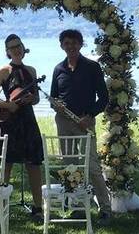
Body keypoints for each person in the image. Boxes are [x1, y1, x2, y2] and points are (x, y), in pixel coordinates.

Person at [50, 28, 112, 221]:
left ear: (81, 44)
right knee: (69, 165)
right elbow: (53, 97)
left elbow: (104, 98)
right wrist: (56, 106)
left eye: (74, 43)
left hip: (85, 121)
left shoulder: (92, 67)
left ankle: (106, 208)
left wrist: (90, 115)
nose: (71, 46)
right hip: (64, 122)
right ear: (62, 46)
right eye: (67, 43)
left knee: (92, 165)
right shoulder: (58, 69)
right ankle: (77, 205)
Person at [0, 34, 45, 222]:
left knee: (33, 164)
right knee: (7, 163)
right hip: (10, 120)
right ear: (7, 52)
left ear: (23, 47)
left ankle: (38, 207)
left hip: (28, 120)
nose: (16, 49)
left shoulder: (32, 70)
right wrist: (7, 105)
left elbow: (36, 98)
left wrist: (31, 99)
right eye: (12, 47)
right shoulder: (4, 70)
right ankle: (2, 203)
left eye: (18, 46)